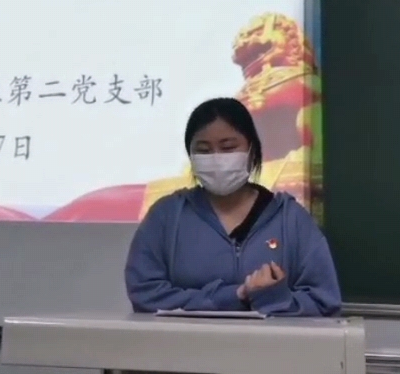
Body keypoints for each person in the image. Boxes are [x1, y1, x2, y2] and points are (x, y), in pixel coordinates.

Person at [124, 97, 342, 316]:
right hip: (187, 339)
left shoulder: (290, 219)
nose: (216, 158)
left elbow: (324, 302)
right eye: (204, 150)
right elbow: (145, 295)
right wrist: (236, 295)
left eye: (228, 147)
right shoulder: (166, 216)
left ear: (252, 150)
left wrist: (274, 299)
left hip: (271, 340)